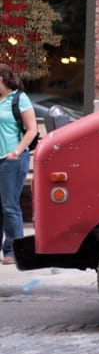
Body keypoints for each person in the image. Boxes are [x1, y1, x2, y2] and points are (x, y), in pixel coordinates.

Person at [0, 64, 37, 265]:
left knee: (9, 206)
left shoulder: (19, 99)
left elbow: (31, 130)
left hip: (12, 160)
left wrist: (16, 152)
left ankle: (13, 251)